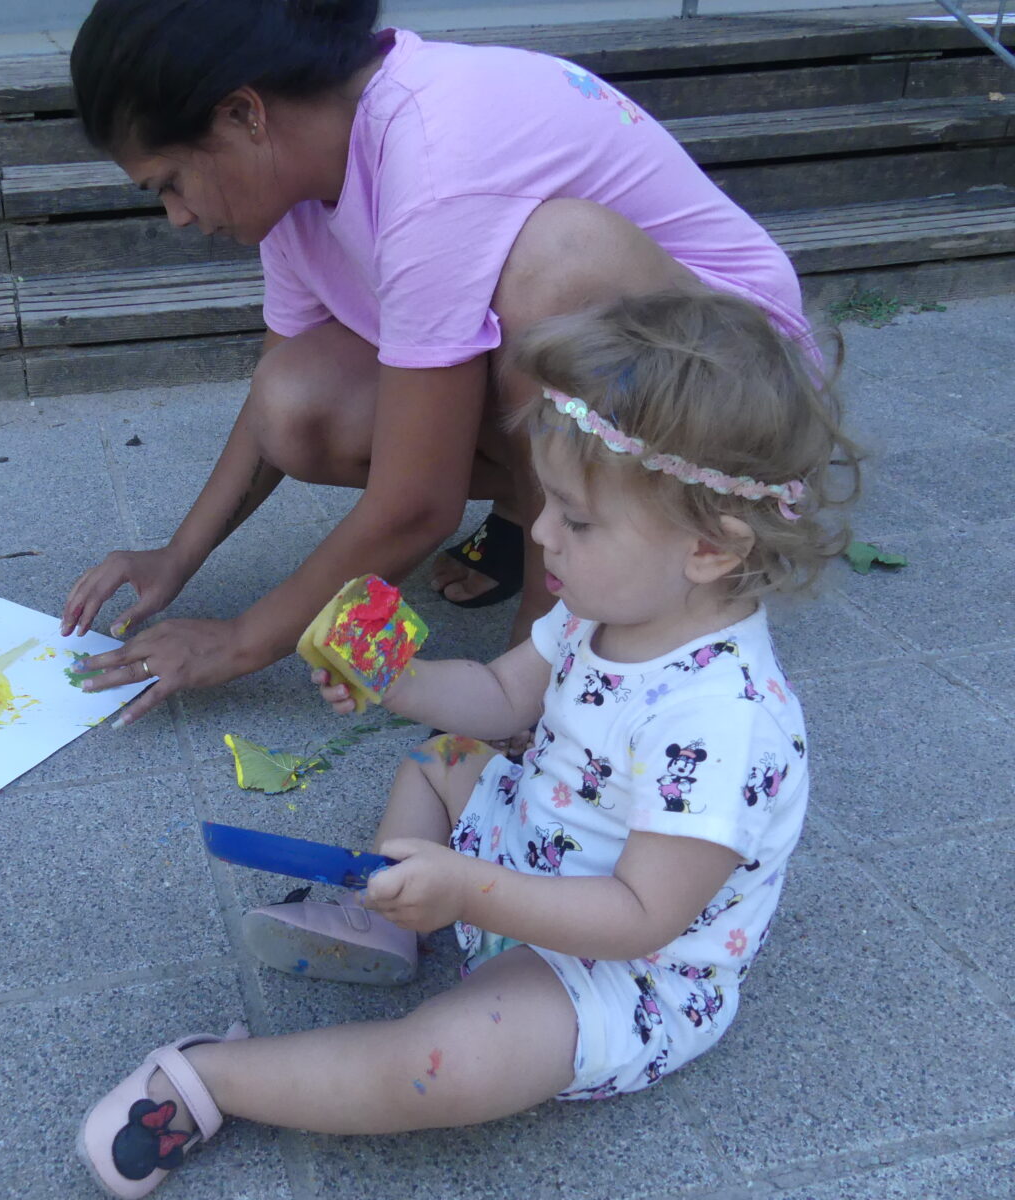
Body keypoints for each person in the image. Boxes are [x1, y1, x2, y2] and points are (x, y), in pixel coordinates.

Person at [74, 290, 859, 1197]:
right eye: (547, 503)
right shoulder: (607, 606)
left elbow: (644, 914)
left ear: (712, 549)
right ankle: (379, 920)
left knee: (442, 1064)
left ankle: (211, 1078)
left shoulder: (723, 721)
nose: (540, 533)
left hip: (616, 965)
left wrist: (467, 888)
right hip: (539, 841)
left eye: (578, 518)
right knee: (443, 756)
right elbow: (496, 694)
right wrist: (396, 682)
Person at [62, 0, 817, 729]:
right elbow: (273, 409)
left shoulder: (432, 153)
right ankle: (549, 514)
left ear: (243, 114)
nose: (178, 215)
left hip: (737, 394)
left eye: (169, 182)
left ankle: (553, 632)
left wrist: (241, 640)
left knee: (555, 263)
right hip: (602, 387)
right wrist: (177, 556)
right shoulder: (291, 190)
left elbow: (418, 505)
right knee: (295, 399)